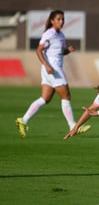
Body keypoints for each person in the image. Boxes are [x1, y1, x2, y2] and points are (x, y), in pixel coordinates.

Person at [15, 10, 90, 138]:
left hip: (51, 69)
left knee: (45, 99)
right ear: (52, 21)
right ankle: (72, 125)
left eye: (62, 19)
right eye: (58, 19)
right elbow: (38, 50)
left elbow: (58, 52)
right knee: (66, 96)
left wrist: (67, 51)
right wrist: (47, 65)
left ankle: (23, 120)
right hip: (52, 69)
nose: (61, 21)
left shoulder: (60, 35)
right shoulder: (49, 34)